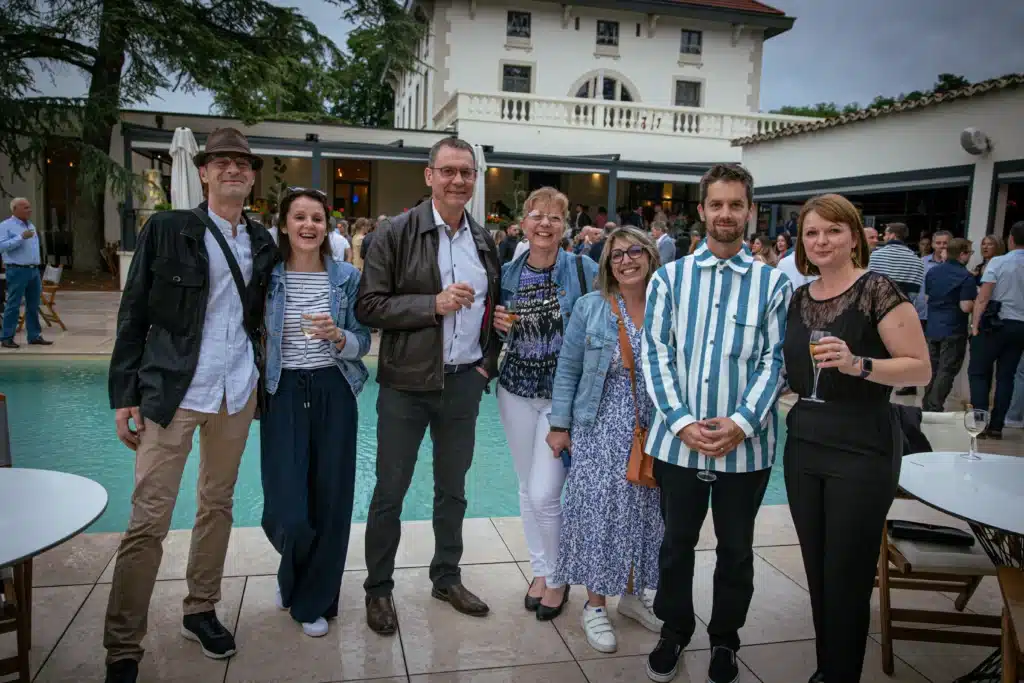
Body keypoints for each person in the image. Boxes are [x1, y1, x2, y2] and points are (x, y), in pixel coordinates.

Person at [104, 128, 278, 683]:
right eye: (221, 162)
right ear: (203, 172)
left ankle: (200, 608)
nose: (232, 170)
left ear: (252, 177)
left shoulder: (263, 241)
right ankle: (122, 645)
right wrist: (123, 396)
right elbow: (133, 315)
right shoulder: (167, 229)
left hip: (236, 392)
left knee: (217, 505)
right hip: (173, 391)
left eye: (242, 164)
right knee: (148, 519)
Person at [642, 164, 791, 683]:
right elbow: (655, 354)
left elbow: (776, 362)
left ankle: (725, 639)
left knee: (736, 549)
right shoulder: (668, 278)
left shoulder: (774, 285)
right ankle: (674, 630)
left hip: (746, 448)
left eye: (736, 205)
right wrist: (682, 424)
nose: (725, 214)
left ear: (749, 211)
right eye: (716, 204)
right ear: (701, 210)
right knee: (675, 543)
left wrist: (741, 424)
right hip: (677, 445)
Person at [356, 137, 501, 635]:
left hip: (463, 383)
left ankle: (446, 577)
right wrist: (431, 305)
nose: (457, 180)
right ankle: (378, 590)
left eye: (466, 172)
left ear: (474, 179)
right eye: (448, 171)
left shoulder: (484, 240)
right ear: (429, 175)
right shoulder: (395, 233)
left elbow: (493, 315)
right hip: (406, 386)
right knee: (390, 491)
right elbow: (368, 306)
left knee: (452, 491)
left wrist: (489, 363)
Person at [783, 194, 930, 683]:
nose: (821, 240)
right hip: (805, 440)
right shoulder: (800, 298)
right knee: (820, 573)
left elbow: (920, 368)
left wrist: (857, 364)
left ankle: (840, 674)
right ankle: (830, 668)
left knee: (846, 575)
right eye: (811, 233)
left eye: (832, 230)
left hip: (862, 443)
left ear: (854, 236)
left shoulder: (877, 289)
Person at [548, 226, 664, 653]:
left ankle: (632, 595)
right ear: (607, 264)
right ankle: (595, 603)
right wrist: (560, 426)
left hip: (654, 429)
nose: (626, 260)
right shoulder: (591, 307)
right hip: (600, 426)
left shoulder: (666, 306)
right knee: (600, 514)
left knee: (645, 513)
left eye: (635, 251)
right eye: (617, 255)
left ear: (651, 256)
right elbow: (568, 368)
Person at [260, 188, 371, 638]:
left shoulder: (345, 277)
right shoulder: (266, 275)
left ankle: (314, 598)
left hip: (334, 387)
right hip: (282, 389)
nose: (309, 226)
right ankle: (293, 574)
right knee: (287, 508)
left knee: (331, 500)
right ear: (284, 223)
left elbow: (364, 340)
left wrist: (340, 336)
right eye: (299, 217)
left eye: (317, 218)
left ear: (329, 227)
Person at [491, 187, 599, 621]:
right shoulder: (509, 272)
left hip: (561, 397)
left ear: (565, 224)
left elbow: (604, 320)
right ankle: (540, 569)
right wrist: (500, 327)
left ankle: (557, 578)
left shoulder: (583, 268)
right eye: (537, 215)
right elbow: (502, 333)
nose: (545, 224)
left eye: (555, 217)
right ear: (524, 221)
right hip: (515, 389)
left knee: (544, 492)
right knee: (525, 487)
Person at [969, 221, 1024, 440]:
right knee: (1006, 376)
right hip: (1020, 327)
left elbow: (984, 296)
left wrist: (975, 325)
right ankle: (997, 426)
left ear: (1011, 239)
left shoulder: (998, 262)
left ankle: (980, 424)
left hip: (995, 323)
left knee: (979, 373)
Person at [922, 238, 976, 412]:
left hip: (933, 327)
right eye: (970, 252)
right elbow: (965, 306)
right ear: (962, 254)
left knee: (933, 368)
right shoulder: (966, 276)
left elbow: (927, 298)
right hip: (954, 328)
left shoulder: (933, 272)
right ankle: (934, 406)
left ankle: (926, 405)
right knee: (947, 369)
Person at [0, 197, 52, 348]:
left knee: (33, 304)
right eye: (25, 208)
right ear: (15, 209)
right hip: (17, 270)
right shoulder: (6, 226)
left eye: (29, 207)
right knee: (13, 304)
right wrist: (20, 237)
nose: (29, 210)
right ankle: (7, 337)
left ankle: (34, 335)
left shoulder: (31, 225)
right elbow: (2, 246)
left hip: (33, 270)